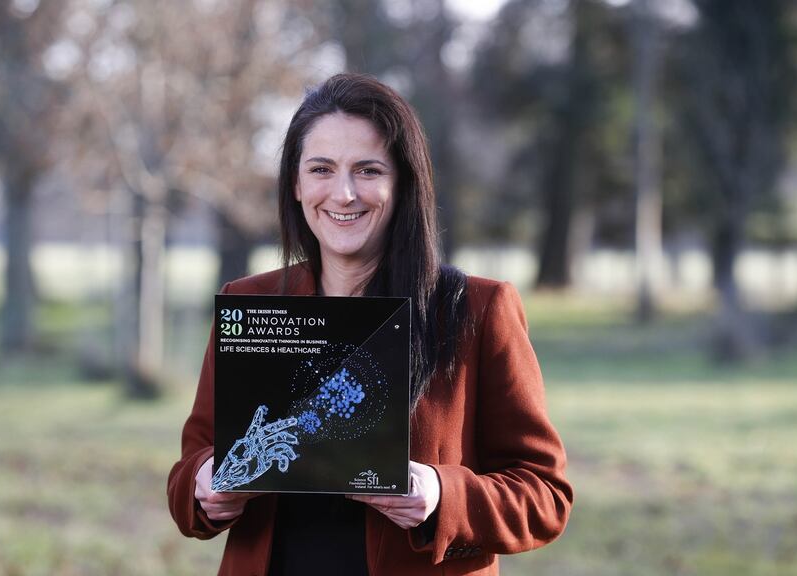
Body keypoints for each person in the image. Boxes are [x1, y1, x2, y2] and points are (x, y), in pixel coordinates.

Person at [167, 73, 572, 576]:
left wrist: (442, 495)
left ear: (402, 183)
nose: (343, 194)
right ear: (296, 184)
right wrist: (205, 486)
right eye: (321, 169)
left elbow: (546, 495)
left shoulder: (475, 309)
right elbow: (189, 474)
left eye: (368, 170)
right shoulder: (250, 304)